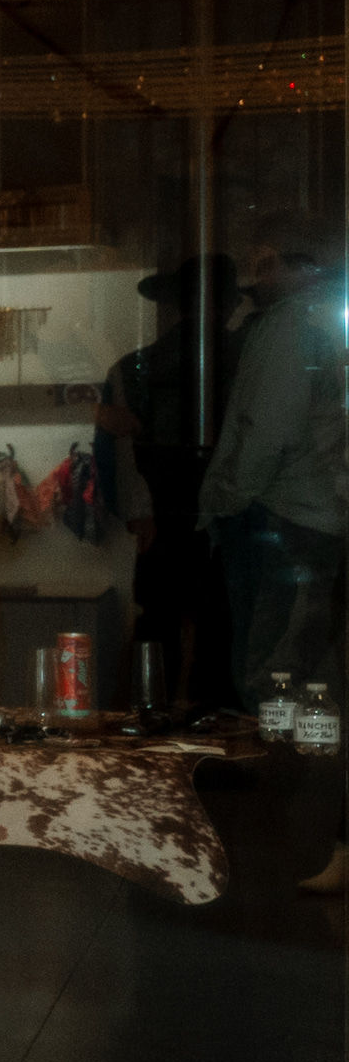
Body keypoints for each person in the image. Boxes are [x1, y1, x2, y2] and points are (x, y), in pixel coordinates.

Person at [198, 228, 345, 708]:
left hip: (284, 515)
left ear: (298, 267)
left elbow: (268, 430)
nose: (256, 274)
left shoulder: (291, 326)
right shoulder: (315, 321)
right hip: (307, 511)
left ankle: (270, 773)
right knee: (289, 665)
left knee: (268, 672)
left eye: (265, 262)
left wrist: (230, 499)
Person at [99, 253, 238, 711]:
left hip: (166, 513)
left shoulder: (135, 367)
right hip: (224, 513)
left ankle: (150, 728)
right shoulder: (245, 361)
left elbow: (117, 450)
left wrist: (138, 510)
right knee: (218, 627)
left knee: (160, 627)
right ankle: (208, 734)